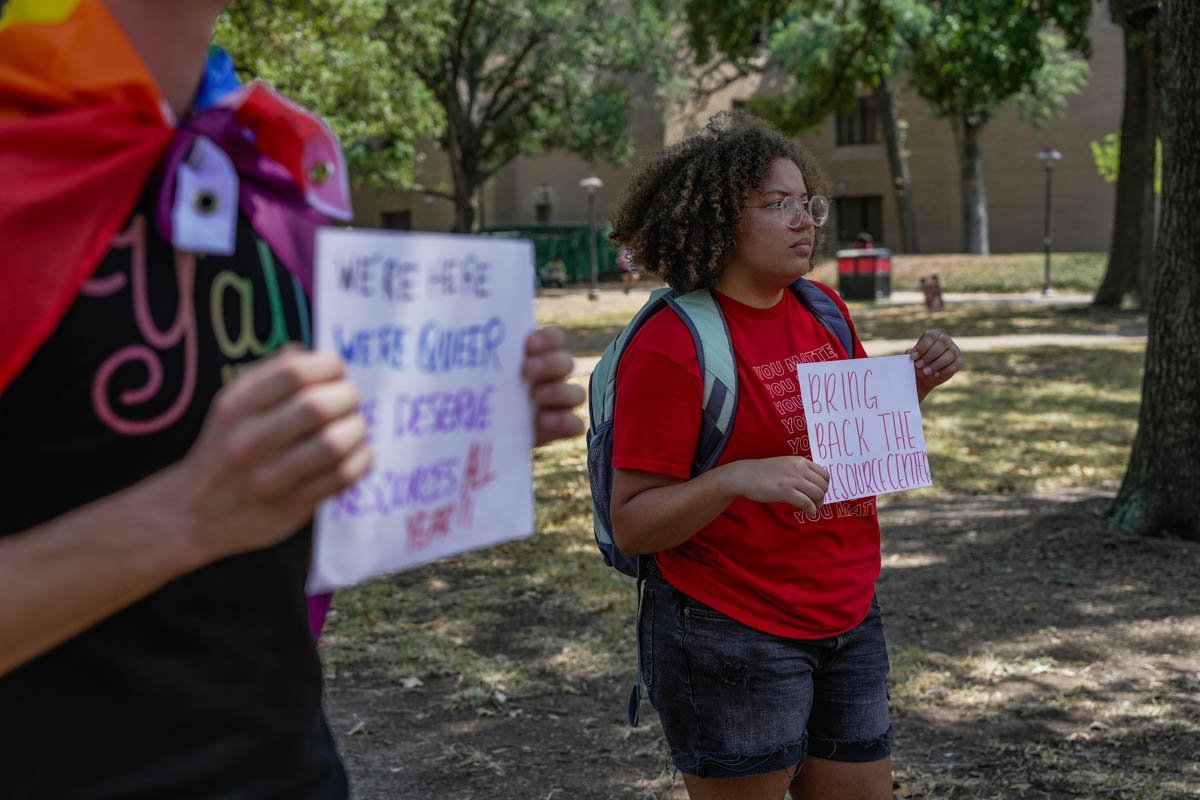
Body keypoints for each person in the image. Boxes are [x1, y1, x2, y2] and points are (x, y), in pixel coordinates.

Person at [0, 1, 585, 797]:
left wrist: (460, 432)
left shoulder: (261, 164)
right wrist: (184, 515)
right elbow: (204, 502)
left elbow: (280, 521)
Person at [607, 112, 962, 800]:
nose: (805, 221)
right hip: (729, 630)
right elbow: (633, 523)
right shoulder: (671, 345)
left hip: (849, 612)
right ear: (715, 220)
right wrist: (736, 480)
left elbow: (839, 451)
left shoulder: (823, 307)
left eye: (808, 203)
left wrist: (909, 388)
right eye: (777, 205)